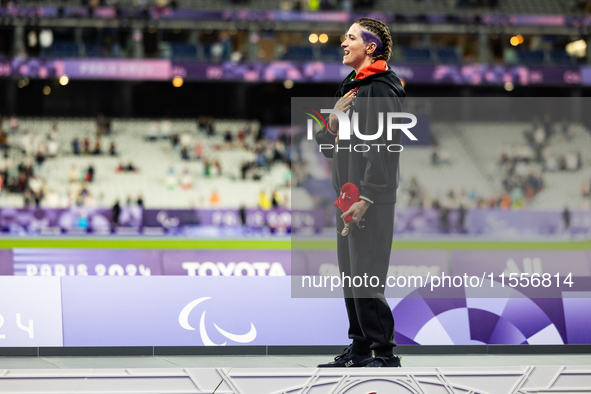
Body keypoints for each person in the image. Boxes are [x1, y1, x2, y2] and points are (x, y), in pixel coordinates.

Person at [315, 18, 405, 368]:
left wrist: (367, 196)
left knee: (366, 275)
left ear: (370, 48)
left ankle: (383, 352)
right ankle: (359, 348)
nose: (343, 42)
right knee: (351, 276)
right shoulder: (352, 87)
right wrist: (333, 121)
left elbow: (385, 146)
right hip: (348, 198)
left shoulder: (380, 88)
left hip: (370, 199)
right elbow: (327, 147)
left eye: (350, 37)